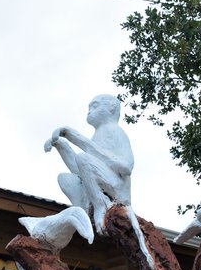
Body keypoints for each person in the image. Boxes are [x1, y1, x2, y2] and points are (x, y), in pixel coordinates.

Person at [45, 95, 134, 233]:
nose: (89, 111)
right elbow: (82, 170)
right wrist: (61, 145)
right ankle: (85, 212)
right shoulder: (98, 135)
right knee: (65, 178)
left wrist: (74, 136)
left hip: (117, 188)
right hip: (100, 185)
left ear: (112, 107)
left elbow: (126, 167)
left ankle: (100, 207)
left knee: (83, 157)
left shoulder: (114, 130)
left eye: (95, 106)